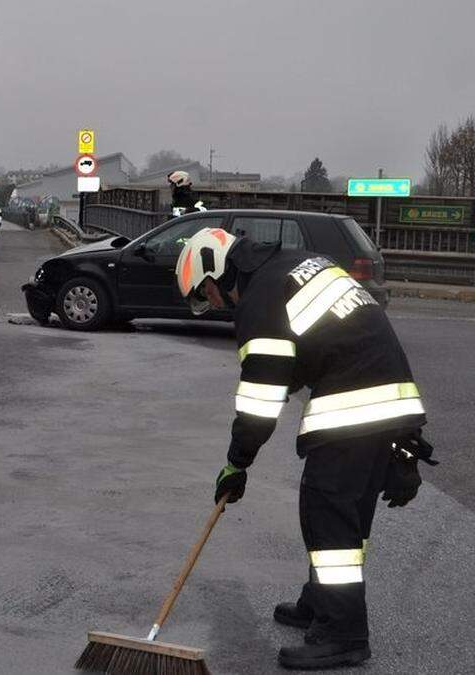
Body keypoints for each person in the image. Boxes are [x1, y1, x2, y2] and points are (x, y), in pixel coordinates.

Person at [175, 228, 436, 670]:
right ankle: (320, 602)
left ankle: (344, 634)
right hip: (388, 402)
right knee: (346, 516)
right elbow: (339, 347)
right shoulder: (297, 266)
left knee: (327, 515)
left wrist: (236, 464)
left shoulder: (261, 299)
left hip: (352, 407)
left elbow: (262, 394)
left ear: (216, 270)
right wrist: (405, 443)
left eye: (207, 293)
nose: (215, 304)